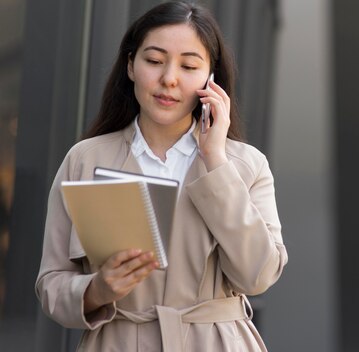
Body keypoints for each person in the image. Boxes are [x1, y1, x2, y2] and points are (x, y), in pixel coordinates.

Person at [35, 1, 288, 350]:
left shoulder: (246, 165)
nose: (169, 78)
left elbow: (258, 275)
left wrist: (215, 160)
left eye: (188, 65)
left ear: (210, 79)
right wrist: (97, 290)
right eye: (154, 61)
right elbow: (51, 284)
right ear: (131, 66)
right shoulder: (85, 160)